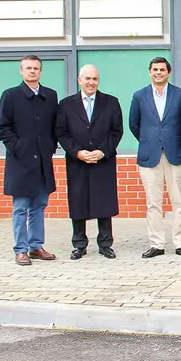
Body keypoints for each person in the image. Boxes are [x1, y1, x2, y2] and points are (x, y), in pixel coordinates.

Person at [0, 55, 59, 266]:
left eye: (36, 68)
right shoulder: (10, 96)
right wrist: (18, 147)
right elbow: (1, 127)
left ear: (41, 71)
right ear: (21, 71)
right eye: (28, 68)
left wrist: (49, 146)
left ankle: (36, 246)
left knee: (40, 205)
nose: (32, 71)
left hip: (42, 161)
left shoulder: (50, 96)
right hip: (20, 162)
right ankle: (20, 249)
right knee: (20, 207)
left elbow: (54, 126)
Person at [55, 64, 123, 260]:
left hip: (103, 160)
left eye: (94, 79)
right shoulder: (66, 104)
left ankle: (105, 243)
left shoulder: (110, 102)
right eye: (87, 79)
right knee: (78, 200)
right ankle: (79, 244)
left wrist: (102, 151)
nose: (91, 82)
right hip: (77, 161)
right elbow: (61, 132)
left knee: (104, 201)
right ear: (79, 80)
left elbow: (116, 131)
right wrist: (77, 152)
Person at [129, 57, 181, 259]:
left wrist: (174, 140)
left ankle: (180, 242)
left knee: (178, 202)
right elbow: (134, 125)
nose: (158, 73)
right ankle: (157, 244)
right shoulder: (139, 96)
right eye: (155, 69)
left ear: (168, 72)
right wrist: (151, 141)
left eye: (162, 70)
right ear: (150, 72)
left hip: (176, 153)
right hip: (150, 155)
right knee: (153, 203)